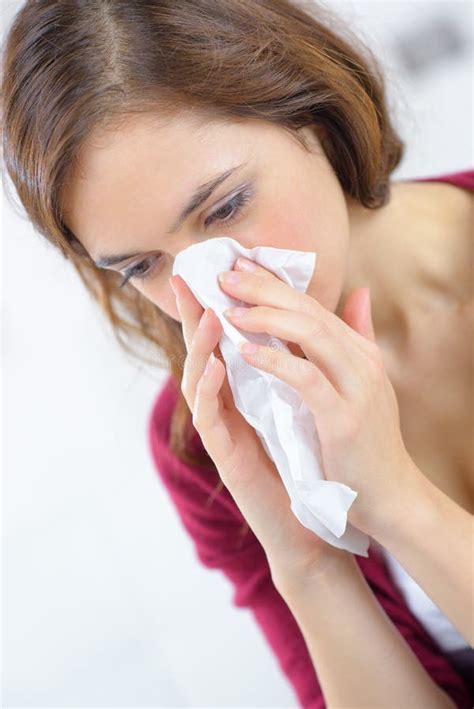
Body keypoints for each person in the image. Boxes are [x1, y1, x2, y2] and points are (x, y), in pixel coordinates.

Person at [1, 1, 472, 706]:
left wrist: (397, 500)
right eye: (141, 266)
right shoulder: (207, 442)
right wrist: (306, 562)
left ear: (315, 109)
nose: (214, 286)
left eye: (224, 208)